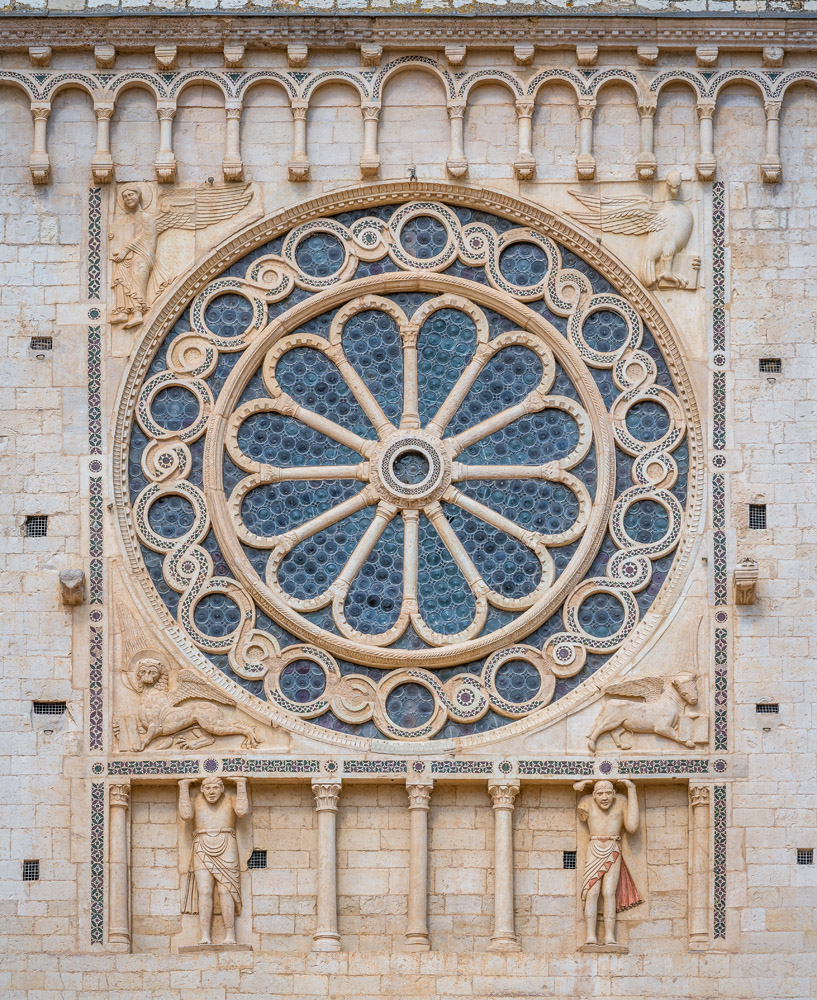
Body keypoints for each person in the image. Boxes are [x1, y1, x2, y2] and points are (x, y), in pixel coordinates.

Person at [178, 776, 249, 945]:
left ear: (222, 789)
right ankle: (205, 936)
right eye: (208, 788)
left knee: (226, 890)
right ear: (202, 789)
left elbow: (242, 811)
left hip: (227, 844)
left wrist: (241, 784)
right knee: (204, 890)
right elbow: (186, 815)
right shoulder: (195, 800)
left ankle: (230, 935)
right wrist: (184, 786)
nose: (211, 792)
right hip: (201, 844)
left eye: (215, 788)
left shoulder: (230, 798)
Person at [574, 778, 642, 946]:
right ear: (593, 795)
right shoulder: (586, 802)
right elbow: (581, 810)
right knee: (592, 891)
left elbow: (632, 826)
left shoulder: (622, 802)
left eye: (608, 793)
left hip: (613, 847)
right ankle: (590, 936)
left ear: (613, 793)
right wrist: (581, 785)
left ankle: (609, 936)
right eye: (599, 793)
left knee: (609, 892)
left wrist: (631, 790)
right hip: (594, 847)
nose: (604, 798)